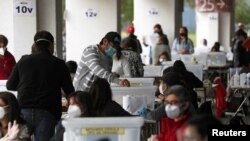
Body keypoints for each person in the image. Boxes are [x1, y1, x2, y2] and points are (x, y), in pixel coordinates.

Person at [6, 30, 75, 141]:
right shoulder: (59, 63)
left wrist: (26, 84)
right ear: (51, 45)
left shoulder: (23, 61)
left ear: (35, 45)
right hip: (47, 111)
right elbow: (70, 91)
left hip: (24, 111)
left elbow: (10, 85)